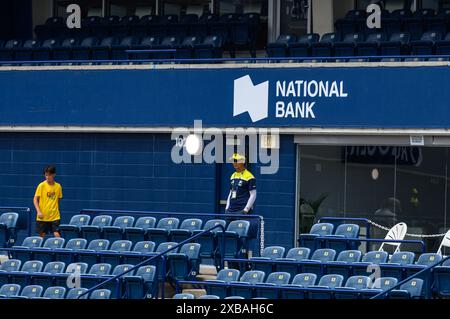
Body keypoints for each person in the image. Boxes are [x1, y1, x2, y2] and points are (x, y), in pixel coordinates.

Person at [33, 165, 63, 238]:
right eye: (46, 175)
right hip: (43, 216)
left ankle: (58, 249)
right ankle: (40, 249)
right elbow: (35, 199)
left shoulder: (58, 186)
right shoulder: (41, 185)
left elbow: (58, 199)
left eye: (49, 175)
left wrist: (55, 208)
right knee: (42, 236)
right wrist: (38, 211)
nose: (47, 177)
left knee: (57, 234)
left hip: (55, 216)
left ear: (54, 175)